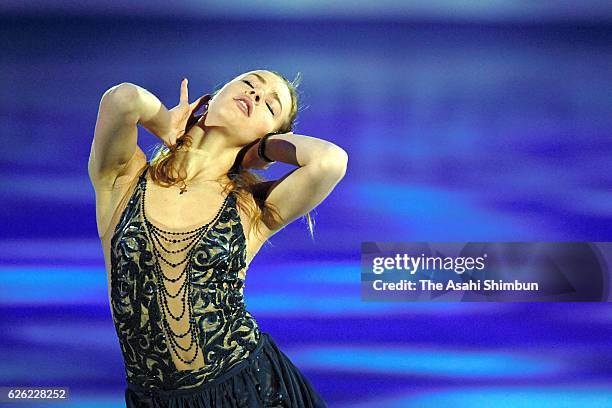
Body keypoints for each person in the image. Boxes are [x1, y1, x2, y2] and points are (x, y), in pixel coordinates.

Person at [87, 69, 347, 407]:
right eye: (250, 84)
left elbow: (330, 160)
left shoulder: (253, 208)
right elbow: (123, 99)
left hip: (251, 389)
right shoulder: (123, 178)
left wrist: (265, 151)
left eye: (270, 105)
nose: (256, 96)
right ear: (211, 98)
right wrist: (164, 122)